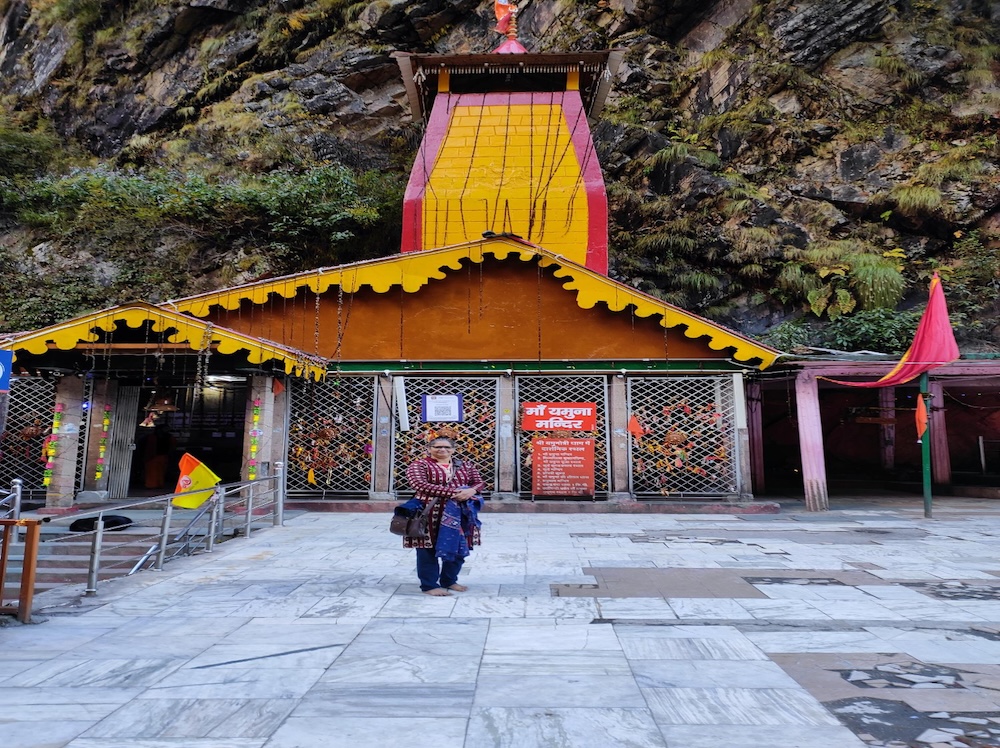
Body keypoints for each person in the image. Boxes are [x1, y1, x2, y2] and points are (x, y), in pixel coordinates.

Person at [403, 436, 484, 596]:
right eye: (437, 447)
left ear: (453, 450)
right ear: (429, 448)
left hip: (459, 515)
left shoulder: (465, 465)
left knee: (458, 548)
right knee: (427, 550)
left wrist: (472, 491)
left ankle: (449, 580)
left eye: (447, 447)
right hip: (428, 514)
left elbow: (479, 482)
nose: (442, 450)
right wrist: (455, 493)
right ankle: (429, 585)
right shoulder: (419, 465)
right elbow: (419, 485)